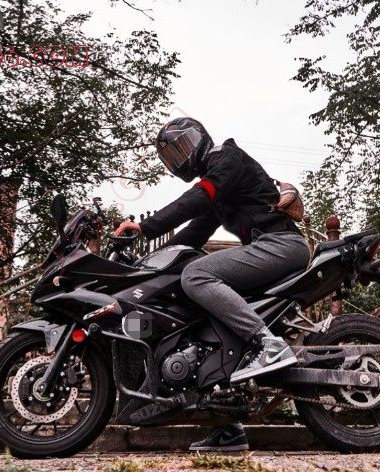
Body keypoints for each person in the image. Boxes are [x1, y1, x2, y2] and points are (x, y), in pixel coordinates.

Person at [114, 117, 310, 451]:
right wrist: (147, 264)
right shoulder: (219, 190)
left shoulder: (227, 159)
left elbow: (196, 200)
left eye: (181, 149)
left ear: (199, 138)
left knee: (196, 275)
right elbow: (193, 233)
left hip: (281, 245)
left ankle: (267, 344)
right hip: (267, 248)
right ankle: (228, 428)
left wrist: (145, 227)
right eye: (171, 157)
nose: (179, 160)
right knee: (203, 321)